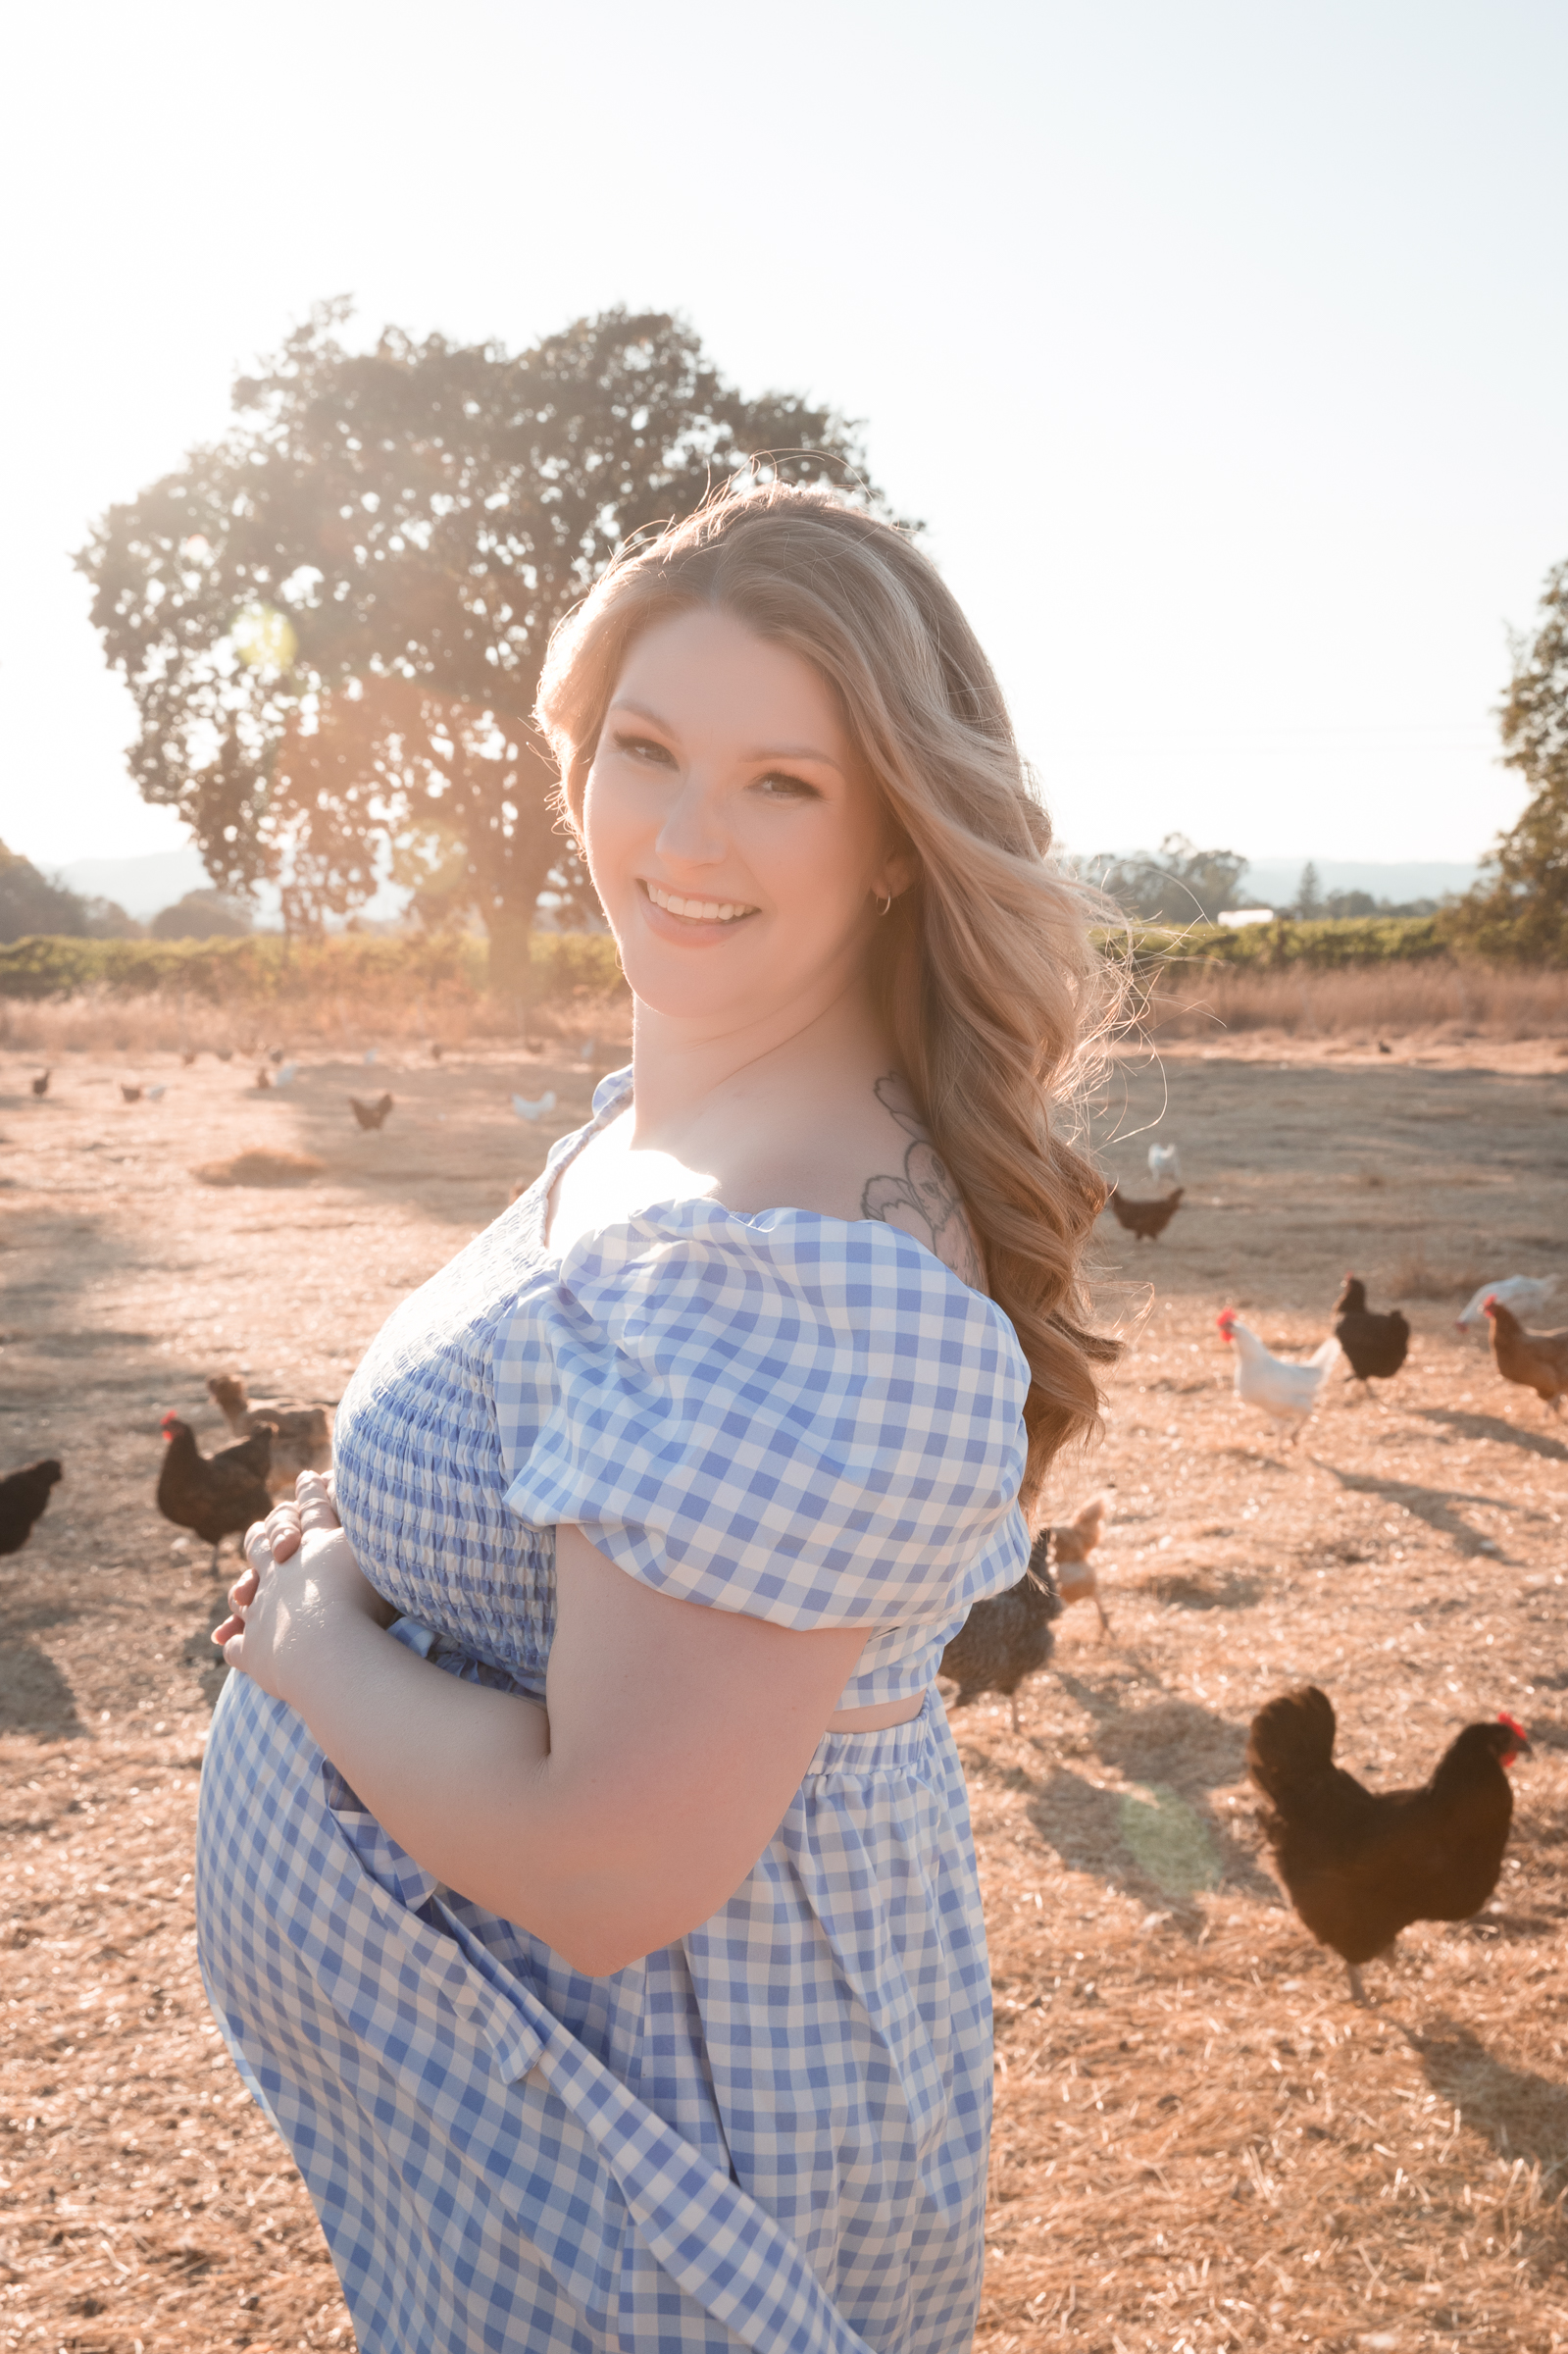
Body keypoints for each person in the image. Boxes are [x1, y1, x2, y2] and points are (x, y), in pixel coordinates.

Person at [196, 483, 1115, 2354]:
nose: (686, 837)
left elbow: (613, 1865)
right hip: (522, 2136)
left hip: (655, 2186)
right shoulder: (671, 1123)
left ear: (891, 843)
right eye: (647, 748)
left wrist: (303, 1640)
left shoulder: (796, 1260)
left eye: (785, 782)